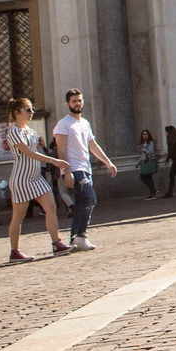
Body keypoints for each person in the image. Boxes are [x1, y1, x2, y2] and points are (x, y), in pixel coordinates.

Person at [2, 98, 70, 262]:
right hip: (22, 179)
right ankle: (14, 251)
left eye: (32, 109)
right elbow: (28, 153)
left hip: (36, 177)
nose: (31, 112)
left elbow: (35, 151)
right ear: (17, 113)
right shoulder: (13, 132)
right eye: (28, 109)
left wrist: (42, 147)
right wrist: (54, 161)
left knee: (51, 206)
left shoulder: (30, 131)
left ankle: (56, 243)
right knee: (19, 216)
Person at [53, 89, 117, 252]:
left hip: (86, 168)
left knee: (82, 203)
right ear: (67, 104)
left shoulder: (85, 123)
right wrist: (66, 172)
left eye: (80, 100)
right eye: (74, 101)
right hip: (74, 169)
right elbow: (61, 150)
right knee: (90, 198)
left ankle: (75, 237)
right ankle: (82, 235)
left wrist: (108, 162)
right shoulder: (64, 123)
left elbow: (92, 145)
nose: (77, 103)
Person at [136, 129, 160, 200]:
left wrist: (143, 149)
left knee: (143, 177)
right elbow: (142, 155)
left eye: (146, 134)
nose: (145, 136)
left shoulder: (150, 142)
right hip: (144, 162)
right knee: (148, 178)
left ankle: (153, 191)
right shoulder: (142, 143)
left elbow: (151, 151)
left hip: (149, 161)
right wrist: (138, 163)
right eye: (143, 134)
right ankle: (153, 193)